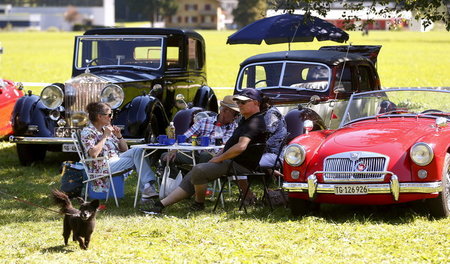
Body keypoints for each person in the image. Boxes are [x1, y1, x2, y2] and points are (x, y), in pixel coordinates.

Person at [141, 88, 267, 213]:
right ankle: (161, 205)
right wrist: (219, 155)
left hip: (239, 165)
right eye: (238, 103)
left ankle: (199, 203)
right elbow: (228, 145)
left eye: (243, 103)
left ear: (256, 103)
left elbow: (240, 147)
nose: (239, 106)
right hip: (230, 161)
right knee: (195, 172)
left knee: (199, 169)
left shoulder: (255, 122)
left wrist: (218, 158)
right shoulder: (246, 120)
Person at [81, 102, 157, 202]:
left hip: (115, 160)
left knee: (138, 151)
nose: (111, 117)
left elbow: (125, 149)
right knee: (139, 159)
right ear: (99, 116)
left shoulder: (106, 129)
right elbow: (93, 154)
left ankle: (147, 187)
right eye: (109, 115)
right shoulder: (88, 132)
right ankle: (148, 190)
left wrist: (119, 136)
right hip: (102, 165)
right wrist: (105, 137)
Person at [160, 95, 240, 179]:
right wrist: (174, 149)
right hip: (196, 154)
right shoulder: (204, 121)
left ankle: (194, 184)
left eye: (237, 115)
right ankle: (177, 181)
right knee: (165, 156)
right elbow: (186, 136)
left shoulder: (235, 127)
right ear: (224, 111)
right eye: (235, 114)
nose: (236, 117)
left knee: (205, 155)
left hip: (217, 158)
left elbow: (228, 147)